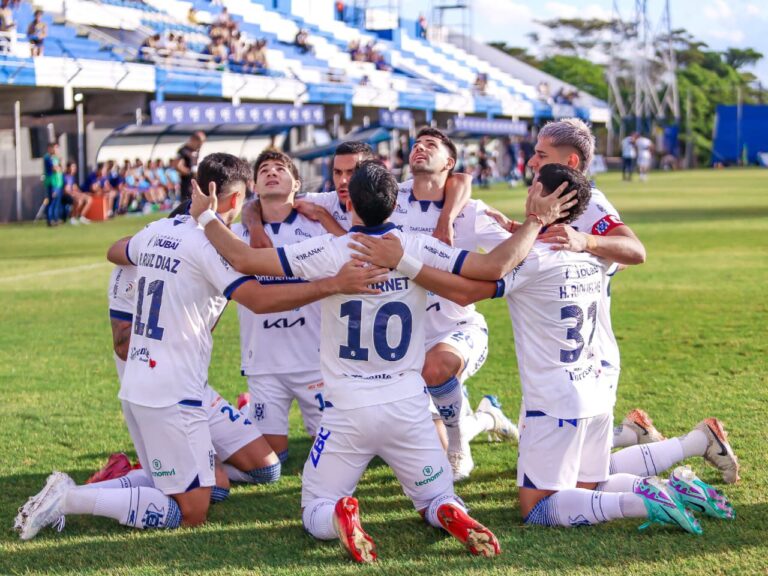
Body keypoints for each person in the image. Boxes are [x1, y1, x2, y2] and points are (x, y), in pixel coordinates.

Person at [187, 160, 572, 562]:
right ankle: (449, 512)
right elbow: (494, 266)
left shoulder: (331, 250)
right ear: (394, 204)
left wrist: (207, 215)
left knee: (315, 505)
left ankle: (338, 513)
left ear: (348, 202)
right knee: (437, 495)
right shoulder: (415, 247)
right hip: (408, 408)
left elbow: (245, 260)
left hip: (348, 411)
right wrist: (534, 221)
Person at [13, 154, 389, 541]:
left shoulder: (156, 229)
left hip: (145, 386)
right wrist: (332, 284)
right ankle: (70, 498)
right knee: (192, 511)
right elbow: (258, 299)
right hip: (175, 392)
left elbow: (118, 251)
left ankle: (136, 478)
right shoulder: (209, 248)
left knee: (235, 476)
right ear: (234, 199)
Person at [350, 163, 735, 533]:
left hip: (554, 400)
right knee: (588, 487)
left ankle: (647, 498)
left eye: (535, 184)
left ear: (549, 199)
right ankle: (674, 489)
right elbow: (612, 253)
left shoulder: (531, 260)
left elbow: (469, 288)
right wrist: (528, 228)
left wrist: (403, 261)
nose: (528, 188)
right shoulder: (595, 251)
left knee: (538, 508)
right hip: (596, 389)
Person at [482, 118, 740, 484]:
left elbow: (635, 249)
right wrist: (515, 228)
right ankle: (635, 433)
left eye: (541, 155)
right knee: (542, 453)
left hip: (588, 353)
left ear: (570, 163)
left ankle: (696, 442)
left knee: (582, 474)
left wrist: (585, 241)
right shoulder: (554, 203)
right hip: (564, 354)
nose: (532, 162)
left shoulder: (590, 205)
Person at [391, 128, 519, 481]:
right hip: (404, 341)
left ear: (448, 162)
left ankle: (460, 444)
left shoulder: (472, 212)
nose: (419, 148)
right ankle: (487, 416)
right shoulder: (389, 198)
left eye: (430, 146)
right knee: (419, 442)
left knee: (437, 368)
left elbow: (518, 253)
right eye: (416, 144)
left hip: (457, 329)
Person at [233, 150, 334, 462]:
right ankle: (248, 408)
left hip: (314, 361)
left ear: (297, 183)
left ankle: (245, 411)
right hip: (264, 364)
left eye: (280, 169)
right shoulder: (237, 235)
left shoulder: (317, 228)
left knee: (332, 451)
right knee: (274, 456)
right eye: (264, 169)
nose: (271, 173)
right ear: (254, 185)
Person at [175, 131, 206, 202]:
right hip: (187, 184)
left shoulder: (196, 150)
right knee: (187, 205)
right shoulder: (184, 151)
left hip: (196, 183)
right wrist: (191, 173)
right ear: (194, 140)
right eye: (200, 142)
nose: (201, 145)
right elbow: (178, 166)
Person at [42, 143, 64, 226]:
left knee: (57, 202)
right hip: (52, 183)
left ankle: (56, 219)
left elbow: (61, 169)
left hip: (58, 183)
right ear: (50, 148)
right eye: (55, 148)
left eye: (57, 148)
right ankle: (50, 219)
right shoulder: (48, 157)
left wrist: (60, 166)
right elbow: (54, 169)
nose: (56, 150)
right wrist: (58, 167)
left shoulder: (56, 158)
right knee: (51, 201)